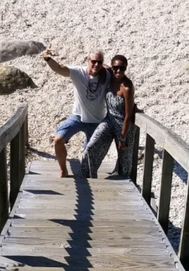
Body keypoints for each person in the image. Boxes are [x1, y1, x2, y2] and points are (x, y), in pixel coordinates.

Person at [43, 47, 111, 177]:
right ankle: (63, 170)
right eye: (93, 61)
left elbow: (121, 82)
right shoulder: (78, 72)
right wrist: (47, 59)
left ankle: (90, 175)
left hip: (96, 121)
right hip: (78, 117)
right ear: (88, 61)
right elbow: (60, 69)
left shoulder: (107, 76)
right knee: (58, 139)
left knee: (89, 155)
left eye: (99, 62)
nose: (96, 64)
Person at [80, 54, 136, 178]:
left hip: (124, 125)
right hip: (110, 119)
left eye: (122, 68)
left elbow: (128, 115)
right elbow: (99, 65)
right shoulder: (110, 75)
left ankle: (123, 185)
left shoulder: (127, 87)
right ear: (112, 67)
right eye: (116, 67)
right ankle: (87, 175)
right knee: (93, 144)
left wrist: (122, 137)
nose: (118, 71)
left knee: (124, 160)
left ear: (126, 68)